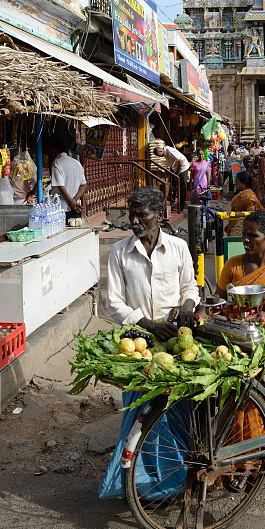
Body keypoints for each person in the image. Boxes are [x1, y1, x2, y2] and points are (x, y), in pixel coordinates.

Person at [100, 186, 199, 499]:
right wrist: (148, 324)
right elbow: (114, 303)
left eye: (141, 215)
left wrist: (187, 307)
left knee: (176, 408)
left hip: (176, 342)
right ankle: (145, 485)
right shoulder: (119, 252)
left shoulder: (178, 248)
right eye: (131, 215)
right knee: (141, 413)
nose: (134, 221)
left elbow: (190, 287)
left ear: (159, 215)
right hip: (138, 344)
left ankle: (178, 477)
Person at [49, 135, 87, 223]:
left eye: (50, 150)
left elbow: (60, 186)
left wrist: (71, 201)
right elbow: (84, 184)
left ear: (55, 149)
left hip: (60, 208)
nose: (49, 154)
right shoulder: (76, 163)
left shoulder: (56, 163)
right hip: (74, 207)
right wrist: (74, 200)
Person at [152, 143, 190, 210]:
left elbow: (180, 161)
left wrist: (177, 173)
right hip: (176, 169)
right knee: (172, 186)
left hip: (183, 167)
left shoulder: (170, 151)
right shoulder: (165, 154)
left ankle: (181, 205)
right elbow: (171, 164)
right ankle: (171, 203)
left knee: (182, 187)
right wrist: (172, 173)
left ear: (161, 151)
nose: (160, 157)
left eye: (159, 155)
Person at [226, 171, 263, 235]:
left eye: (237, 181)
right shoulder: (248, 193)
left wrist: (230, 226)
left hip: (240, 229)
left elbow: (251, 211)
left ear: (244, 184)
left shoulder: (247, 195)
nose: (235, 183)